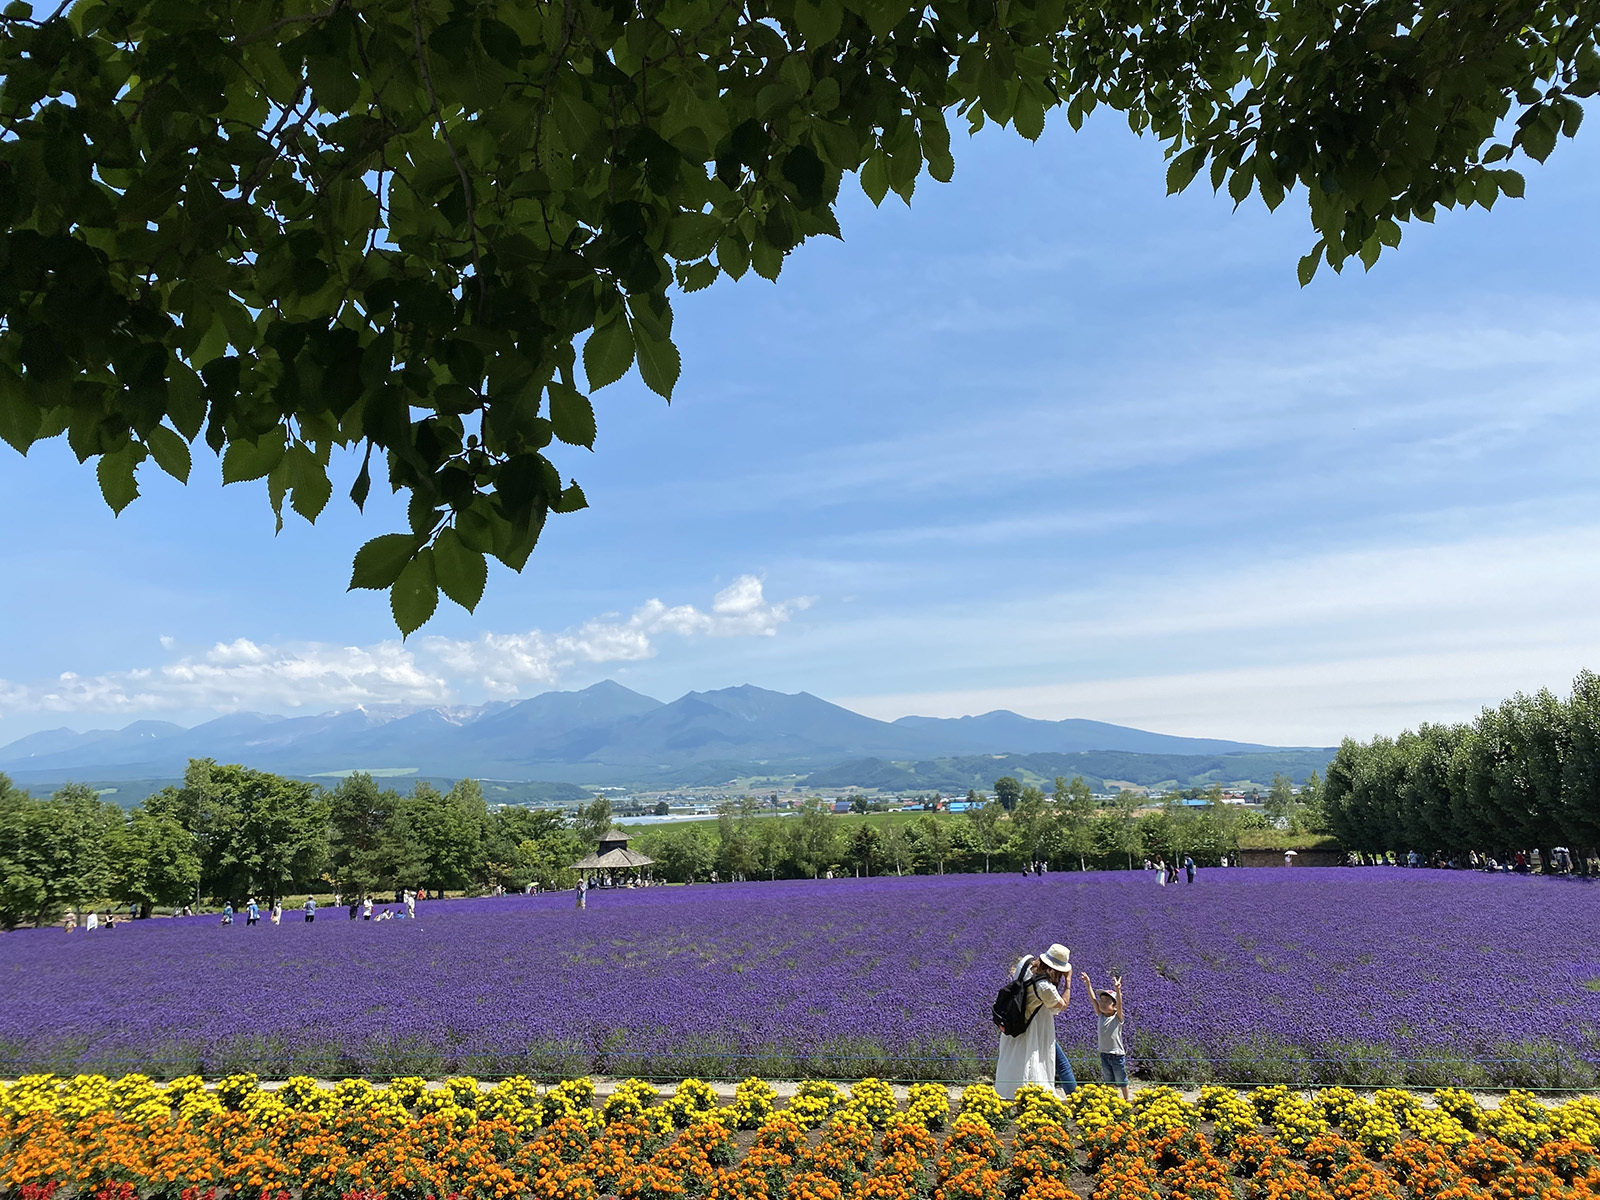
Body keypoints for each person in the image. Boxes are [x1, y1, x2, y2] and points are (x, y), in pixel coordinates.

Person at [995, 943, 1074, 1100]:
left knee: (1015, 1061)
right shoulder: (1045, 987)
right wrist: (1068, 983)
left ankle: (1011, 1095)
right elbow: (1062, 1005)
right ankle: (1071, 1097)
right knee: (1040, 1063)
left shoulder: (1025, 962)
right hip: (1035, 1028)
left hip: (1015, 1023)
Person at [1082, 970, 1129, 1101]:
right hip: (1104, 1053)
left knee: (1121, 1079)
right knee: (1108, 1080)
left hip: (1116, 1054)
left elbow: (1120, 1005)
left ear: (1113, 1007)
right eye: (1101, 1001)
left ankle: (1126, 1100)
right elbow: (1093, 999)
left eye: (1106, 1002)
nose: (1102, 1004)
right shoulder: (1101, 1016)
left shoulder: (1117, 1017)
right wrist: (1088, 983)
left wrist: (1118, 990)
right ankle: (1111, 1101)